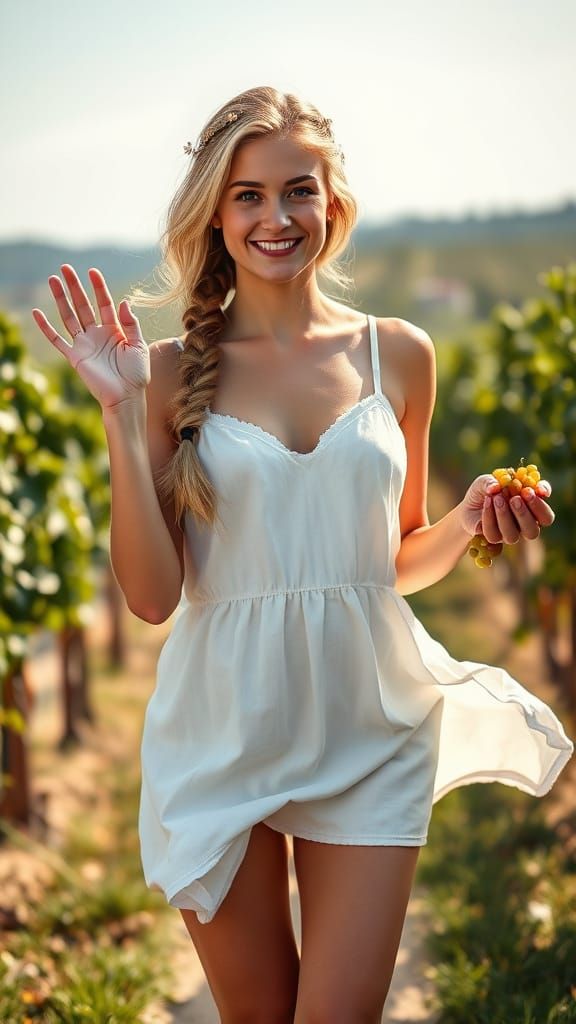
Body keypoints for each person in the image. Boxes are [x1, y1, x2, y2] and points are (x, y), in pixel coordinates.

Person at [32, 84, 573, 1024]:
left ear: (334, 202)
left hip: (369, 722)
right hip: (223, 726)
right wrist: (121, 418)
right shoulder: (159, 377)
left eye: (298, 190)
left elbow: (390, 565)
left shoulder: (398, 355)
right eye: (247, 194)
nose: (277, 217)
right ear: (216, 211)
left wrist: (469, 521)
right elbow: (153, 599)